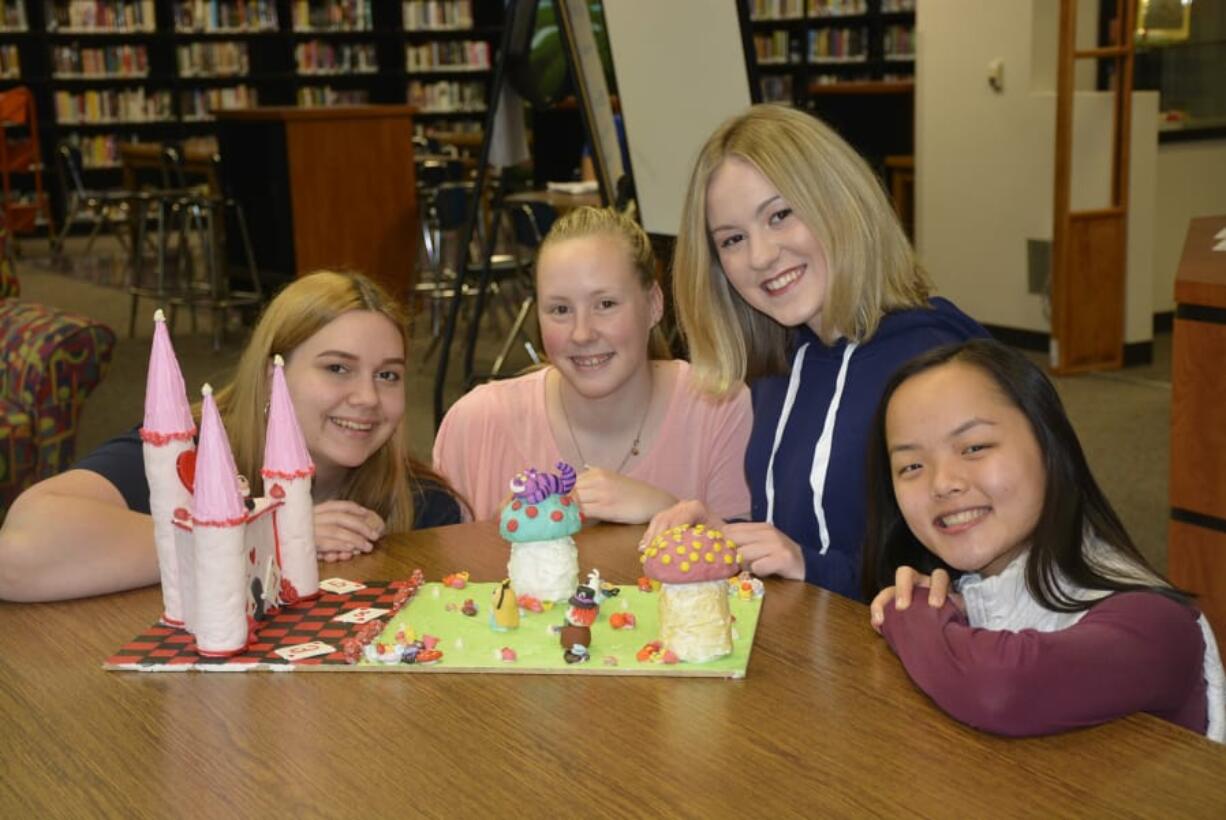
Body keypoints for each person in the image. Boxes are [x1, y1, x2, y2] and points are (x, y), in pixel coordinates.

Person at [642, 104, 986, 599]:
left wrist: (811, 566)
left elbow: (975, 590)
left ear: (839, 202)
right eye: (733, 239)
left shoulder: (934, 361)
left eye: (780, 215)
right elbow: (806, 534)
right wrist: (728, 535)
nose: (761, 256)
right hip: (806, 655)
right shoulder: (779, 362)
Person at [0, 271, 464, 602]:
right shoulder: (190, 451)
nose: (366, 397)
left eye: (388, 375)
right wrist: (271, 537)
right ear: (270, 376)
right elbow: (19, 552)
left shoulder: (420, 502)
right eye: (337, 368)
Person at [862, 339, 1224, 740]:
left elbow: (1001, 689)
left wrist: (911, 611)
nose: (942, 483)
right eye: (911, 465)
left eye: (975, 447)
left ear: (1049, 445)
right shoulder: (972, 592)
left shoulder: (1154, 622)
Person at [434, 206, 752, 524]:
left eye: (605, 304)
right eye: (560, 309)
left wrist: (666, 510)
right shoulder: (475, 425)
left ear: (654, 305)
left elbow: (749, 563)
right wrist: (489, 543)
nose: (582, 333)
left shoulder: (719, 408)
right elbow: (434, 568)